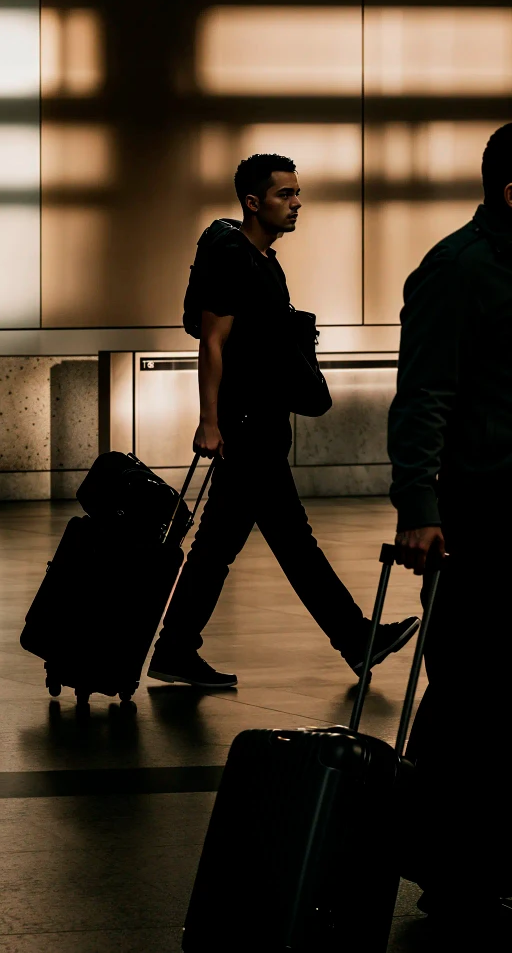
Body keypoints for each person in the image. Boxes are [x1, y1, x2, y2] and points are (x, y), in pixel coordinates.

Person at [148, 153, 417, 688]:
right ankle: (354, 639)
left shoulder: (262, 261)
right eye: (284, 195)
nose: (297, 204)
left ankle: (175, 649)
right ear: (253, 202)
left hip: (259, 422)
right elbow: (212, 341)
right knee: (289, 542)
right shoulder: (232, 256)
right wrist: (210, 421)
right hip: (244, 426)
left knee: (223, 546)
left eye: (297, 193)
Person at [388, 123, 512, 937]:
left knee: (495, 694)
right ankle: (447, 864)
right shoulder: (459, 267)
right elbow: (425, 392)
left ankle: (469, 856)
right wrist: (420, 507)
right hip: (480, 514)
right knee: (473, 690)